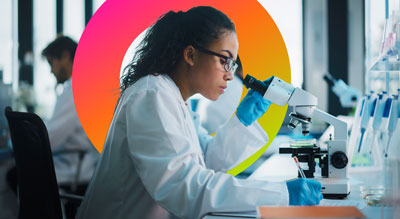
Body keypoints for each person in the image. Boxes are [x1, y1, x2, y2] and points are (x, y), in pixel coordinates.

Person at [76, 7, 322, 219]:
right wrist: (280, 193)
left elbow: (206, 162)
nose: (230, 73)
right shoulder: (151, 95)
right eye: (225, 60)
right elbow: (183, 187)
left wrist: (243, 120)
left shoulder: (177, 100)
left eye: (233, 64)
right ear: (191, 55)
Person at [41, 36, 98, 189]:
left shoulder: (74, 91)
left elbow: (49, 138)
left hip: (74, 169)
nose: (51, 71)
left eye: (51, 63)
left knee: (15, 174)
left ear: (65, 56)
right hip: (83, 163)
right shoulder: (86, 83)